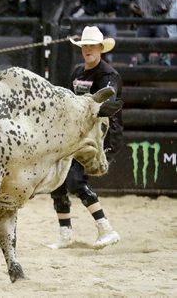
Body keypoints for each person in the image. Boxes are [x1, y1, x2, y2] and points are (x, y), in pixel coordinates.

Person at [48, 26, 123, 250]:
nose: (88, 49)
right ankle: (66, 233)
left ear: (101, 49)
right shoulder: (77, 72)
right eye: (85, 46)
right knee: (58, 178)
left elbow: (109, 105)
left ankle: (106, 229)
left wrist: (83, 111)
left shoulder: (109, 75)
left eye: (92, 46)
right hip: (79, 135)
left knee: (74, 178)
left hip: (102, 136)